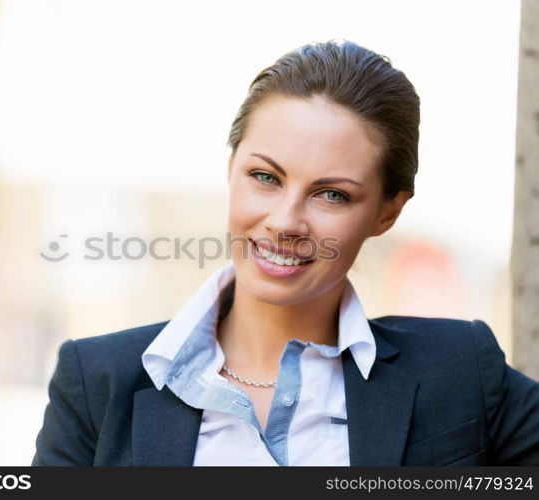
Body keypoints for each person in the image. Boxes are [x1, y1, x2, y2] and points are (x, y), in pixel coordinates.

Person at [31, 39, 539, 466]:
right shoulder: (96, 383)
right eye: (265, 177)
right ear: (232, 170)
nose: (286, 222)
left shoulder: (460, 371)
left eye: (332, 194)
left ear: (388, 212)